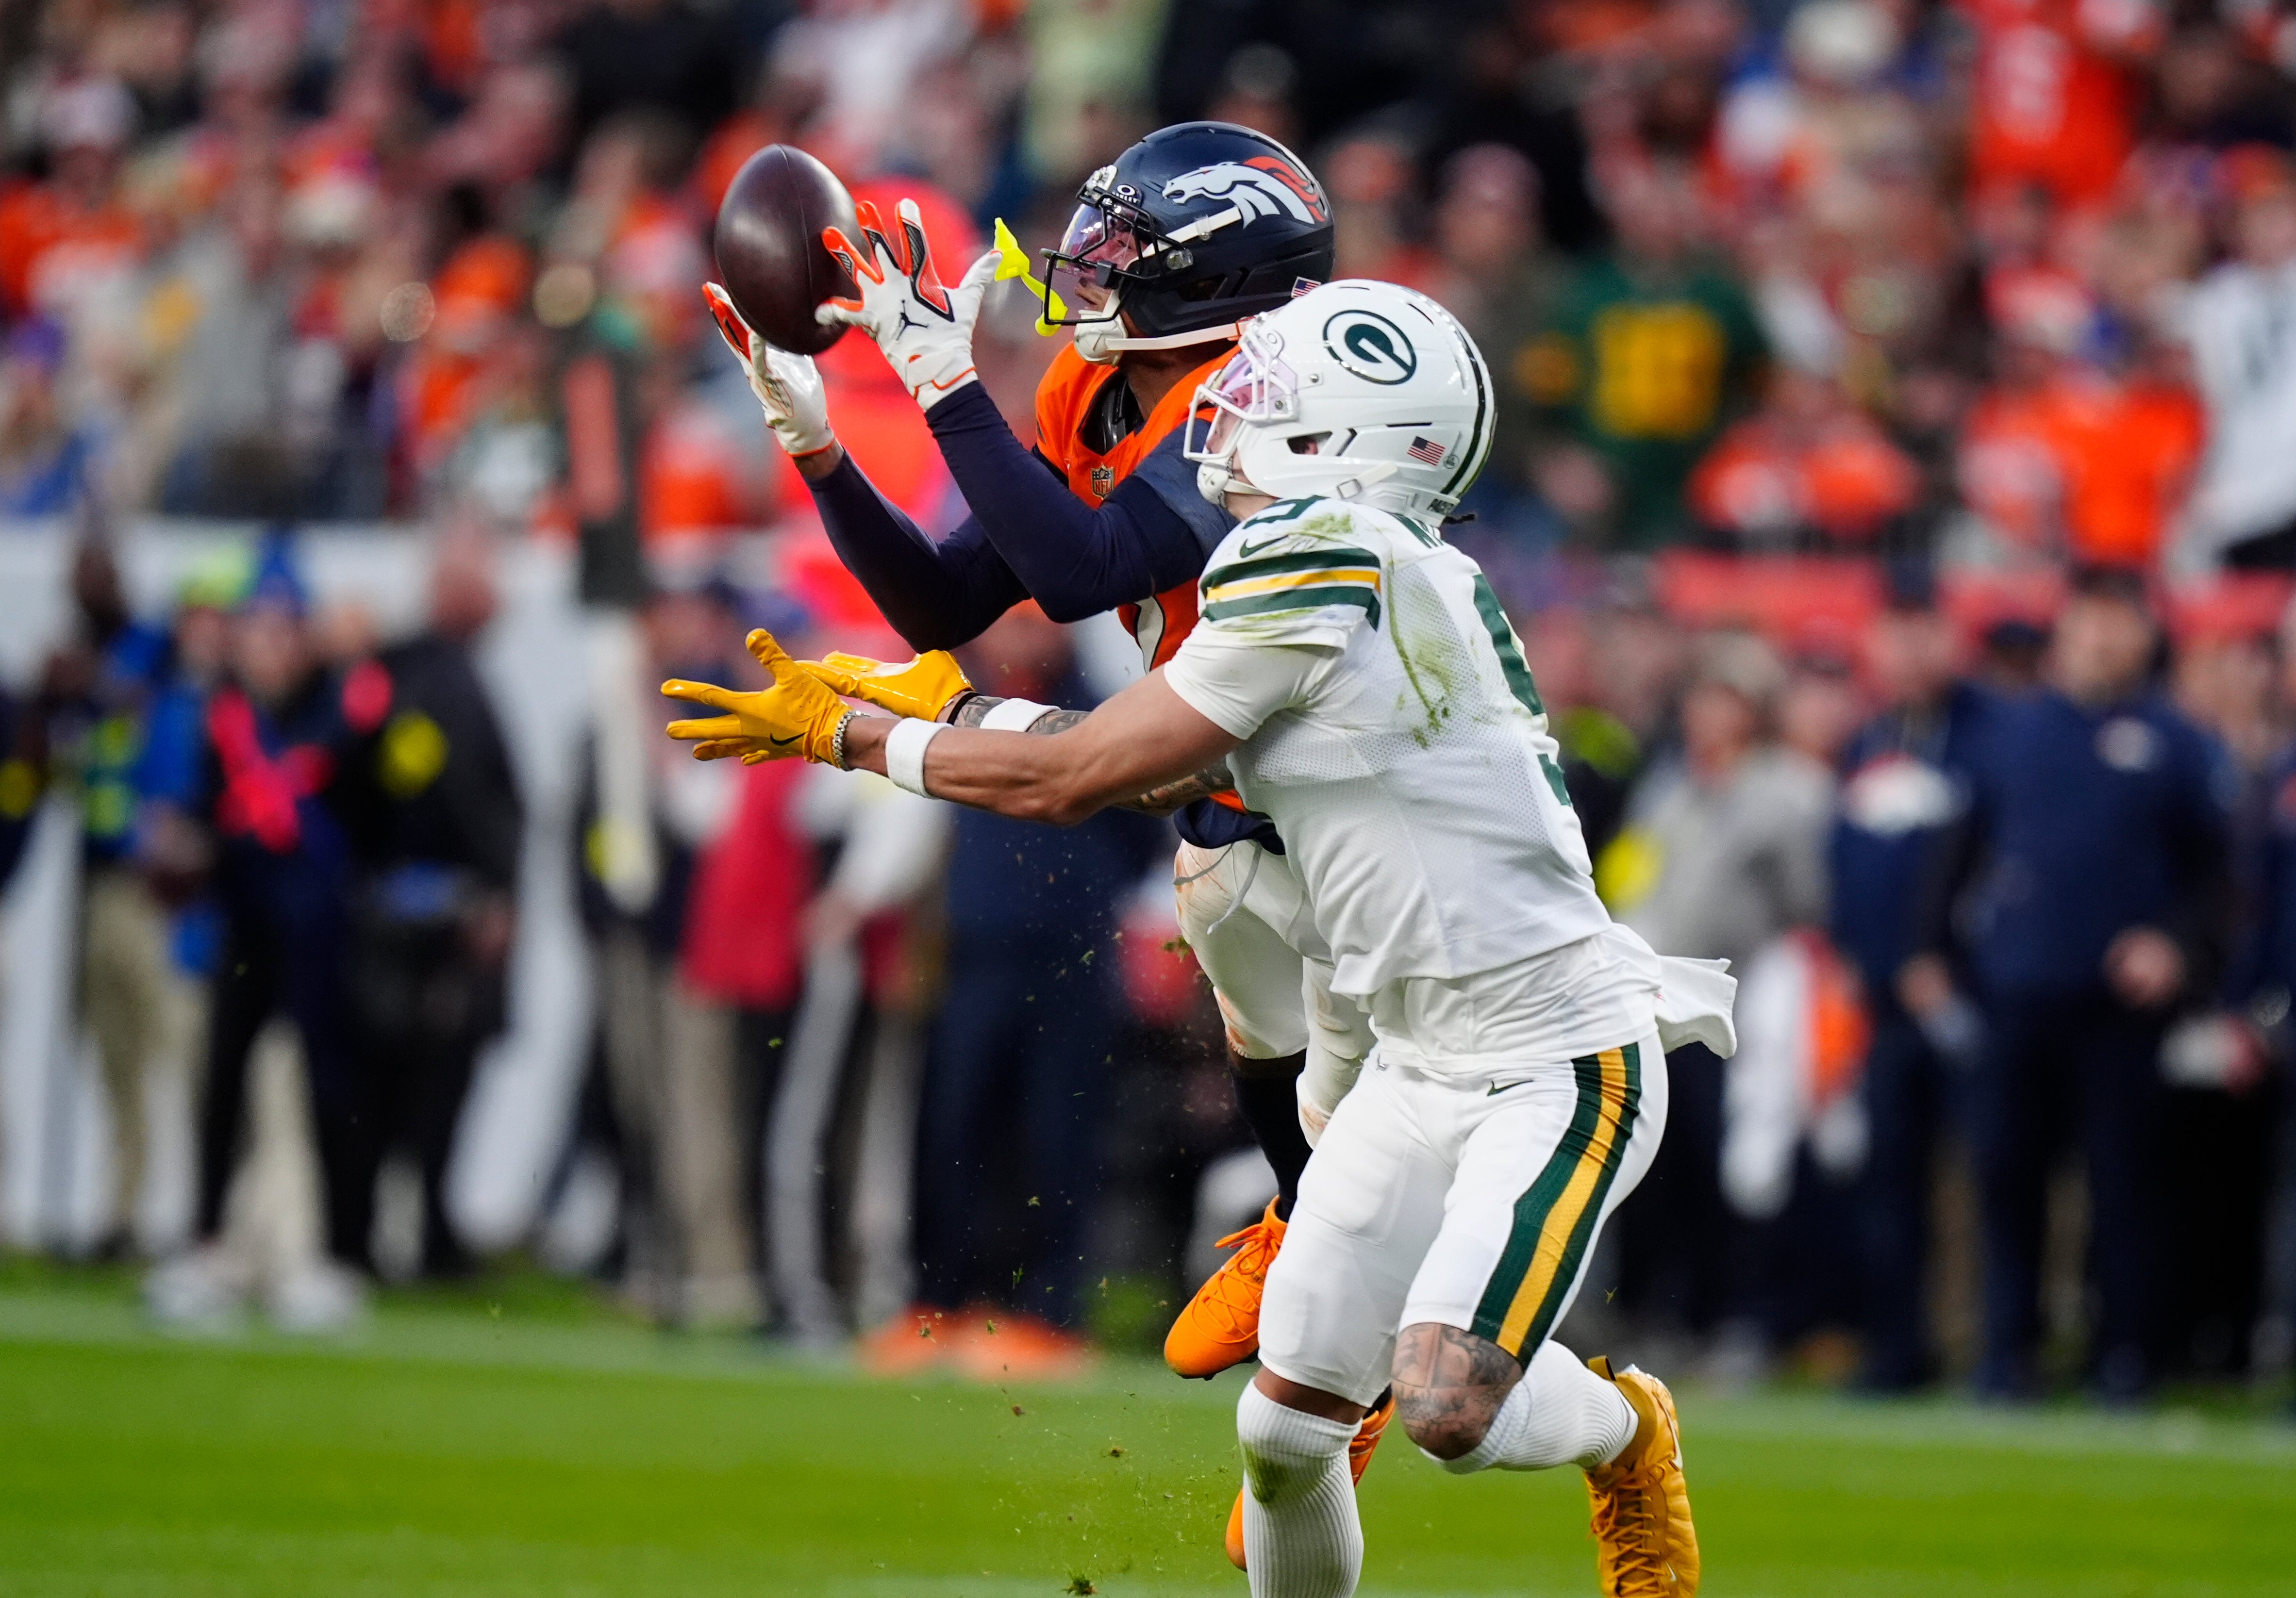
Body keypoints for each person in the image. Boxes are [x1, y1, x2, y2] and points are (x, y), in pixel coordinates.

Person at [665, 280, 1719, 1598]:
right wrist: (947, 712)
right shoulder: (1333, 565)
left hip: (1552, 1058)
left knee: (1444, 1398)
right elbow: (1153, 764)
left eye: (1270, 394)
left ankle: (1625, 1428)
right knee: (1282, 1434)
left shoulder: (1333, 557)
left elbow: (1081, 774)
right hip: (1411, 1063)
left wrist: (861, 735)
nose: (1227, 410)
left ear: (1345, 441)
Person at [703, 123, 1368, 1404]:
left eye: (1130, 245)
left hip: (1346, 786)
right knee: (1254, 997)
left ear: (1219, 276)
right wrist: (821, 451)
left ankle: (1411, 1296)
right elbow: (944, 603)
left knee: (1396, 1128)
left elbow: (1085, 572)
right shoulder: (1093, 385)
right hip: (1231, 785)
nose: (1094, 262)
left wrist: (946, 388)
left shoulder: (1265, 392)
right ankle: (1306, 1241)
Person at [1906, 567, 2234, 1400]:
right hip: (2015, 990)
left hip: (2120, 1006)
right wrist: (1930, 950)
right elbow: (1960, 849)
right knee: (2006, 1178)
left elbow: (2218, 876)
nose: (2102, 636)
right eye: (2091, 617)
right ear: (2067, 627)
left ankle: (2123, 1356)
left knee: (2125, 1187)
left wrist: (2173, 944)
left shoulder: (2175, 740)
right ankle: (2006, 1354)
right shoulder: (2011, 732)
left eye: (2119, 619)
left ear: (2144, 634)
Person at [332, 529, 524, 1278]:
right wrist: (484, 892)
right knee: (409, 1083)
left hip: (421, 913)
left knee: (430, 1083)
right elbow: (438, 792)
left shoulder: (422, 671)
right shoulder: (419, 675)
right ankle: (394, 1233)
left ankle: (410, 1228)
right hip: (419, 921)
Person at [1829, 569, 1992, 1390]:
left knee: (1984, 1181)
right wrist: (1857, 959)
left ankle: (1991, 1349)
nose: (1907, 647)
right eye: (1893, 628)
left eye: (1921, 627)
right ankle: (1896, 1349)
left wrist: (1950, 963)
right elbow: (1844, 868)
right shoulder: (1867, 742)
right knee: (1889, 1182)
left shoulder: (1987, 738)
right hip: (1884, 1005)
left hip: (1971, 1002)